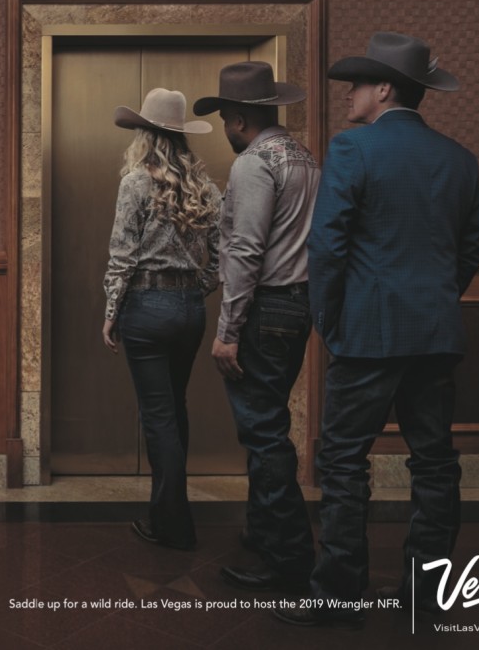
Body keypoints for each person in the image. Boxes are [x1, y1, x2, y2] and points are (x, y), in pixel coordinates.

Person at [274, 32, 479, 628]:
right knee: (436, 464)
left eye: (357, 84)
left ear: (385, 88)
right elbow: (468, 254)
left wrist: (329, 321)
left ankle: (339, 594)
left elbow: (328, 243)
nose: (349, 95)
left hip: (367, 333)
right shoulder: (460, 160)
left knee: (342, 462)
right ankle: (427, 596)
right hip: (436, 333)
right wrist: (436, 304)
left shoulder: (353, 150)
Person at [192, 62, 319, 592]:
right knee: (267, 424)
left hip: (264, 310)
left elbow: (245, 250)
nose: (224, 128)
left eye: (225, 117)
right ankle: (264, 532)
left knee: (265, 436)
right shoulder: (305, 158)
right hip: (298, 305)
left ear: (239, 117)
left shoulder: (252, 164)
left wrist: (227, 329)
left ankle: (286, 557)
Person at [101, 88, 221, 550]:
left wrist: (112, 311)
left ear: (144, 135)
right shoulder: (205, 187)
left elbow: (122, 256)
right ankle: (165, 510)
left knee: (158, 416)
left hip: (146, 310)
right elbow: (225, 252)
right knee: (175, 409)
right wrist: (202, 284)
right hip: (189, 311)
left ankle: (172, 522)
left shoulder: (135, 182)